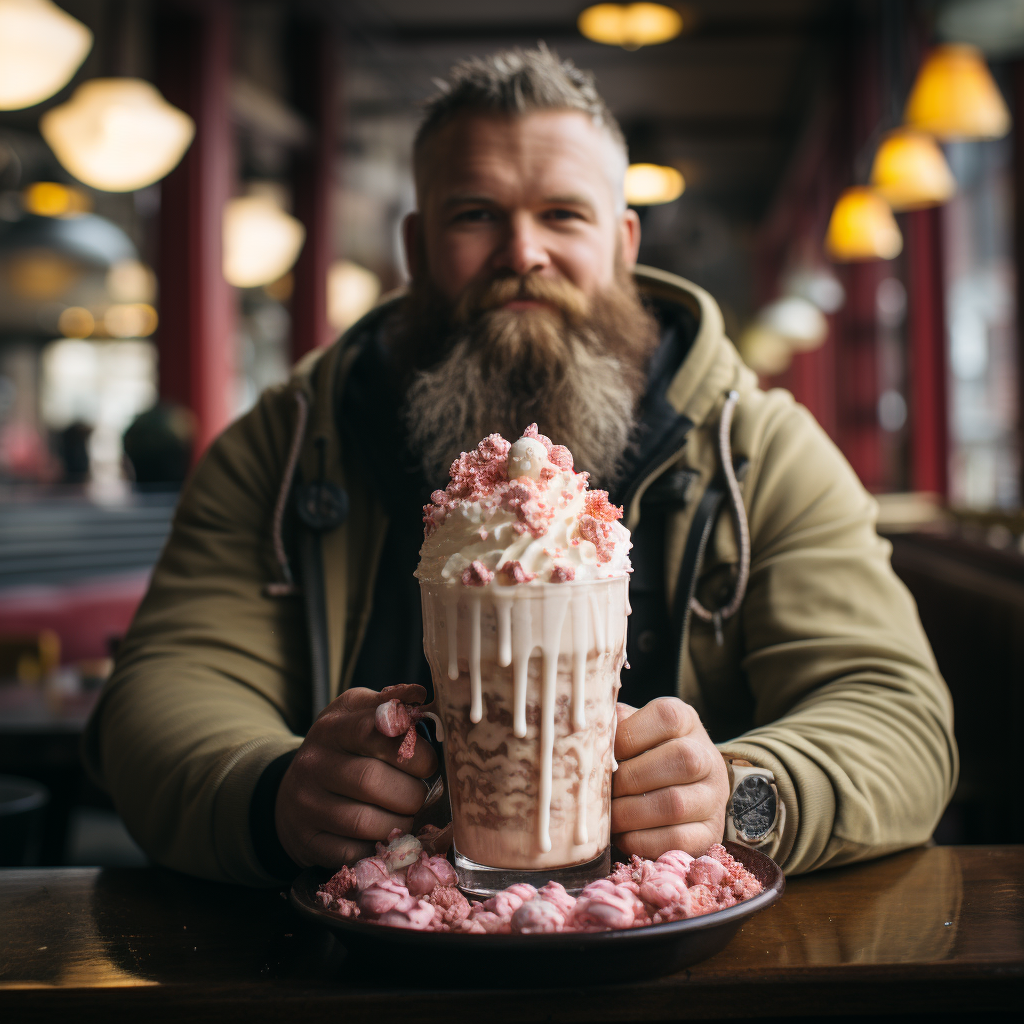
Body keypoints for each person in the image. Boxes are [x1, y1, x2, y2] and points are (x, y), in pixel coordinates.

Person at [84, 48, 956, 885]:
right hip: (352, 960)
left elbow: (898, 715)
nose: (523, 252)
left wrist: (743, 795)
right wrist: (275, 791)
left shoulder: (755, 450)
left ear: (622, 242)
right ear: (418, 247)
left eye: (562, 215)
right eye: (477, 215)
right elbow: (160, 695)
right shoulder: (287, 446)